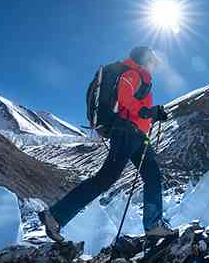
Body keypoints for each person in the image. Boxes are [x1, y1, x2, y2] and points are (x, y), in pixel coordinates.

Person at [38, 46, 175, 242]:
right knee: (105, 179)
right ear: (144, 59)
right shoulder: (133, 73)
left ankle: (153, 225)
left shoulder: (141, 75)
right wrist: (150, 112)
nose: (154, 66)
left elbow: (133, 105)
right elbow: (124, 99)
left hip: (137, 135)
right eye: (153, 61)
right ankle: (55, 216)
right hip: (126, 132)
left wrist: (151, 114)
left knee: (152, 175)